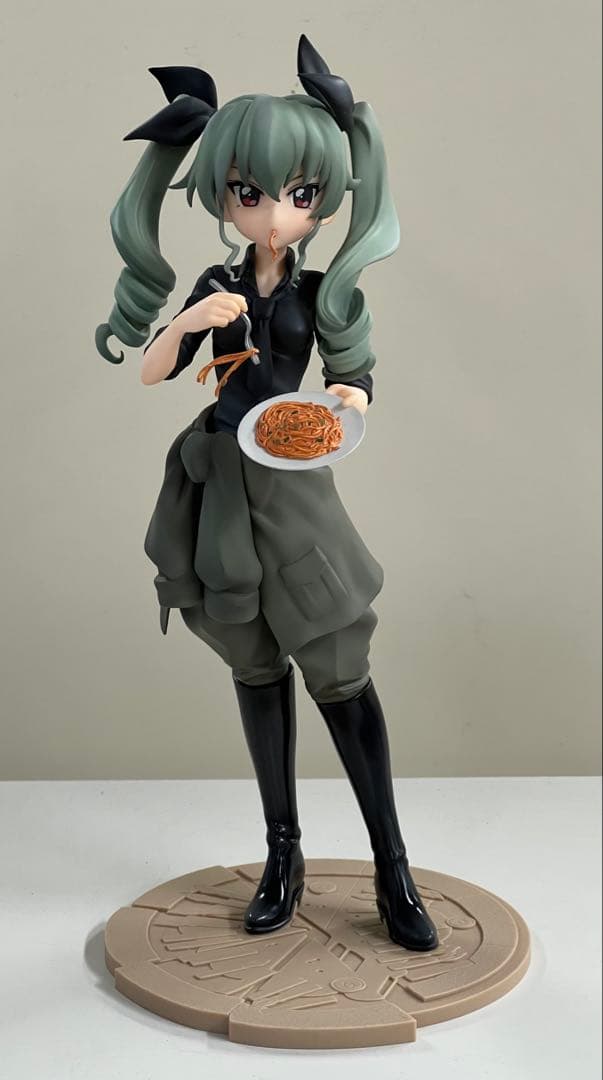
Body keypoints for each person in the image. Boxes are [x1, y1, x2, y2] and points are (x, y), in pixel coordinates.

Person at [96, 35, 438, 952]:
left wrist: (344, 404)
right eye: (250, 193)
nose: (276, 214)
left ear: (323, 199)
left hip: (290, 480)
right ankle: (282, 853)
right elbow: (154, 372)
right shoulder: (215, 282)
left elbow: (355, 376)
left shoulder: (323, 290)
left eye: (299, 195)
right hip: (216, 477)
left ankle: (392, 864)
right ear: (224, 196)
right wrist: (186, 320)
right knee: (251, 661)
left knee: (336, 663)